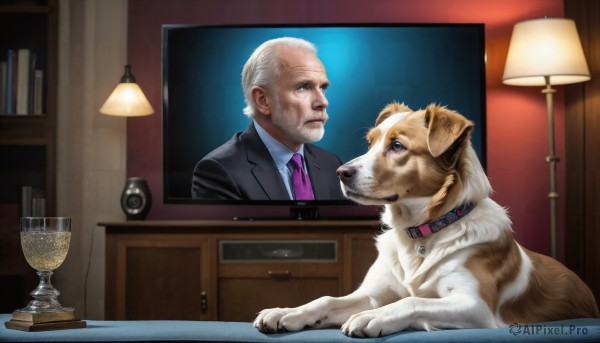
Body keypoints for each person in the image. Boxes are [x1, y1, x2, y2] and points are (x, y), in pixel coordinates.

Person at [191, 37, 345, 200]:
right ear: (263, 100)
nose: (323, 102)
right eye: (303, 87)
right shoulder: (219, 171)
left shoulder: (332, 164)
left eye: (323, 88)